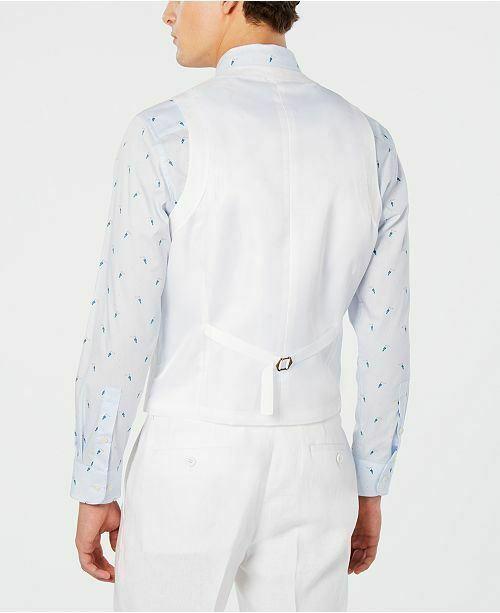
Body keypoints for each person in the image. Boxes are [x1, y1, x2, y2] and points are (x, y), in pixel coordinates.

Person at [71, 1, 411, 611]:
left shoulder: (166, 133)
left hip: (190, 455)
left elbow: (123, 326)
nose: (168, 13)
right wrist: (369, 482)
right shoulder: (371, 142)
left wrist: (96, 478)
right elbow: (387, 338)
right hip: (316, 460)